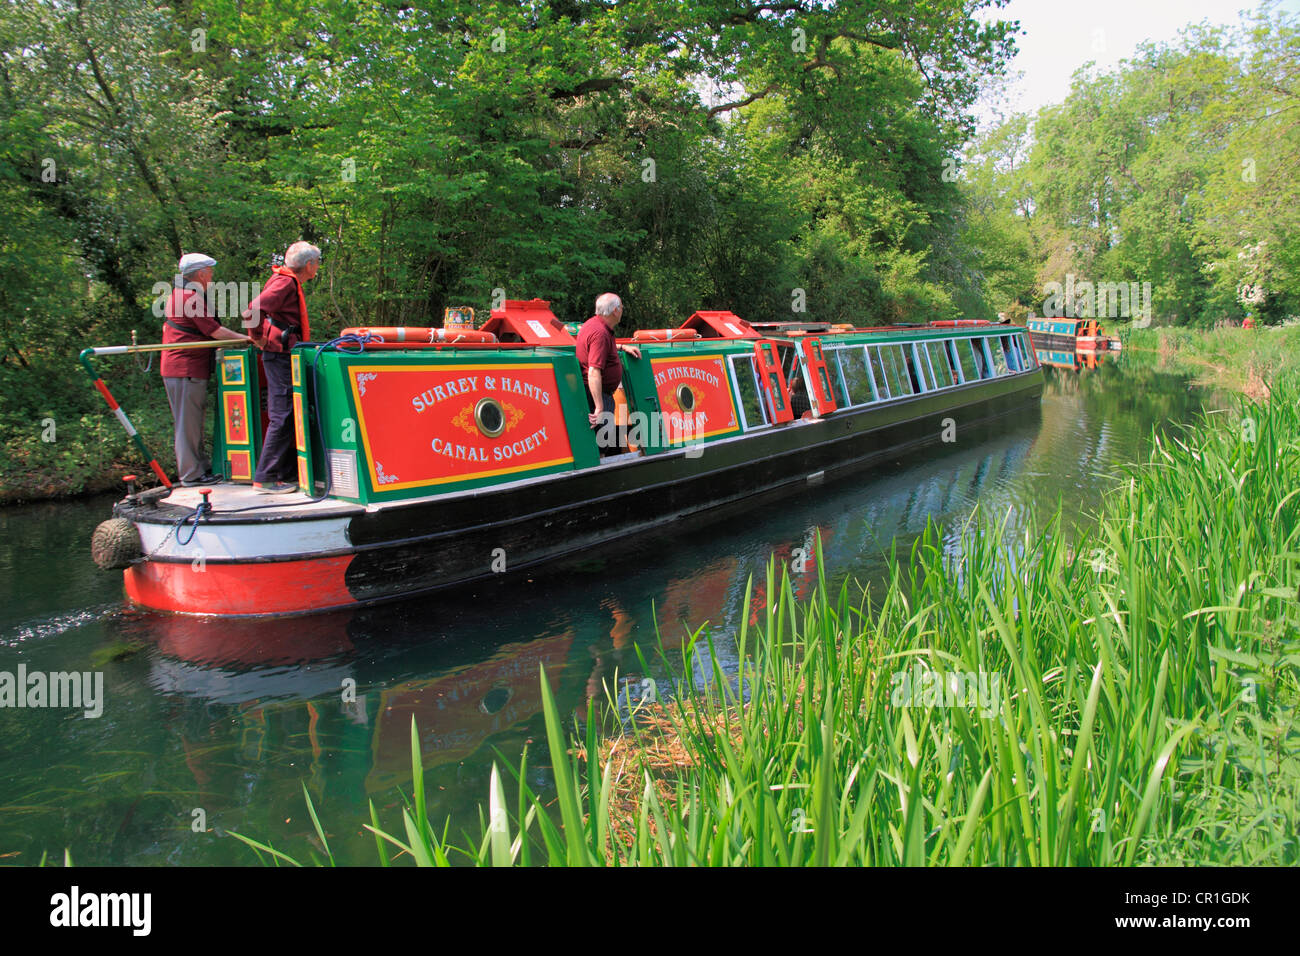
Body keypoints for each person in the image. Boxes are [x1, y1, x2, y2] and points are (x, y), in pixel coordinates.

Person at [161, 253, 250, 486]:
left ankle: (200, 469)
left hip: (186, 368)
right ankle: (191, 474)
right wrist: (246, 339)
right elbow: (215, 332)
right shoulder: (190, 298)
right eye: (210, 272)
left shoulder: (181, 294)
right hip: (184, 368)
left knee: (192, 422)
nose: (212, 276)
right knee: (187, 424)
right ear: (200, 273)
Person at [241, 241, 321, 493]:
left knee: (287, 412)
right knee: (283, 413)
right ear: (309, 265)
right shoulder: (285, 282)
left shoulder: (285, 280)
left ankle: (283, 472)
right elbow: (251, 310)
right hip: (281, 356)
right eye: (317, 263)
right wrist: (257, 337)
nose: (317, 267)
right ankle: (266, 476)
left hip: (285, 354)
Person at [575, 293, 640, 454]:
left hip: (598, 393)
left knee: (604, 440)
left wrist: (621, 347)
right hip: (598, 395)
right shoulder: (600, 333)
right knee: (602, 444)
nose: (623, 310)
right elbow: (593, 371)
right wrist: (599, 407)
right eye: (622, 307)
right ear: (615, 311)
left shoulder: (593, 325)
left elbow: (598, 348)